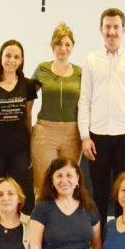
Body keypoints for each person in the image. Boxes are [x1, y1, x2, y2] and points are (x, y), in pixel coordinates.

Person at [78, 8, 125, 225]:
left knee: (124, 191)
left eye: (116, 27)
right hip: (97, 137)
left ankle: (122, 234)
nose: (111, 32)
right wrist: (84, 137)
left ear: (123, 30)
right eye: (107, 27)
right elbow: (84, 100)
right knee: (99, 192)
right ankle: (98, 238)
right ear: (101, 29)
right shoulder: (91, 60)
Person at [0, 40, 36, 213]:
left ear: (21, 60)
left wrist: (31, 149)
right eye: (8, 55)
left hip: (19, 148)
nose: (11, 60)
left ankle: (21, 227)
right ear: (1, 57)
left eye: (16, 57)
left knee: (20, 191)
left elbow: (28, 117)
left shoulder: (28, 85)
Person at [30, 23, 82, 201]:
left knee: (68, 182)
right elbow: (25, 94)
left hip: (73, 133)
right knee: (43, 182)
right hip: (45, 132)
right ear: (53, 46)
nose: (63, 48)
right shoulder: (42, 68)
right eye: (59, 44)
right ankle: (41, 217)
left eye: (67, 44)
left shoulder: (80, 73)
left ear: (72, 47)